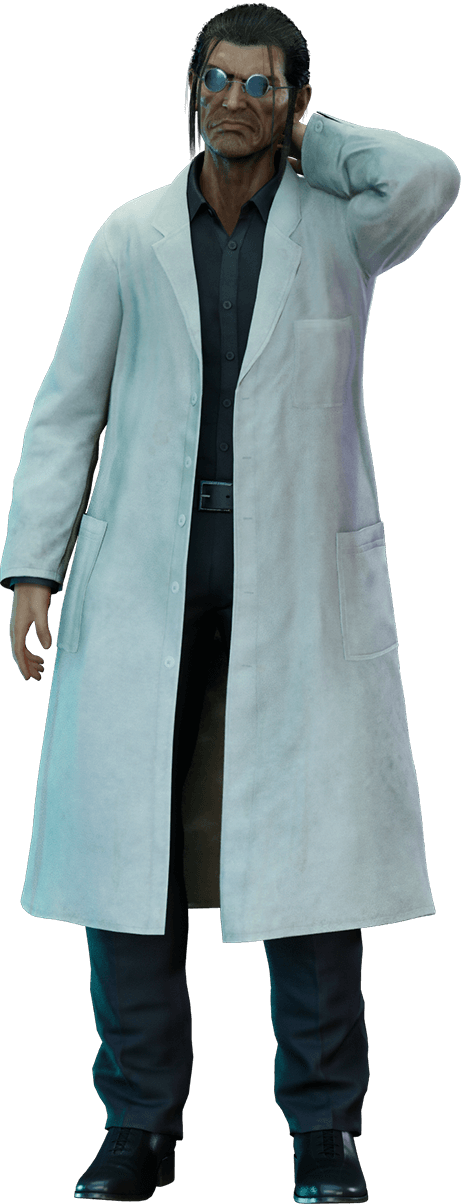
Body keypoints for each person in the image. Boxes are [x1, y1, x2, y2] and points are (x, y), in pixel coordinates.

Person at [3, 5, 459, 1201]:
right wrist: (34, 565)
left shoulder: (342, 228)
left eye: (262, 86)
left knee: (311, 874)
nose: (235, 101)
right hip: (145, 588)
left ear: (298, 104)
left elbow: (432, 176)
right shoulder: (130, 236)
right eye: (218, 78)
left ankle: (326, 1127)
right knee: (131, 865)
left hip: (295, 591)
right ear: (189, 88)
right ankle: (137, 1123)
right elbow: (67, 405)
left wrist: (317, 139)